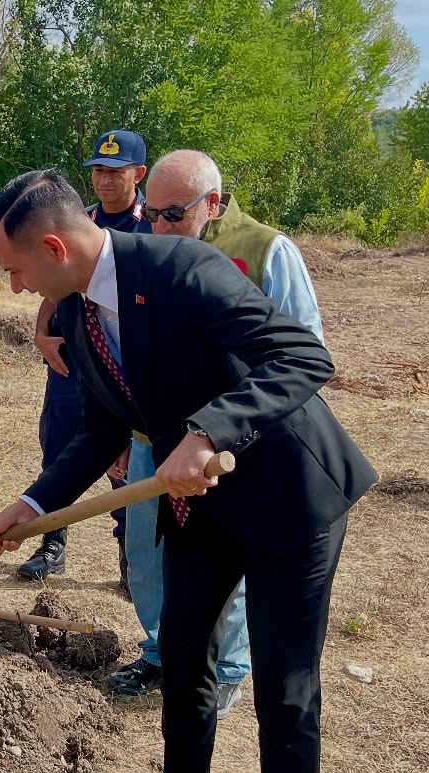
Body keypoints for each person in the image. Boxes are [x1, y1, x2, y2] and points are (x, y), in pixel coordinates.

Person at [0, 170, 376, 773]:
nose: (17, 289)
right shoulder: (84, 317)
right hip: (202, 509)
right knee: (184, 655)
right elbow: (98, 428)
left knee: (283, 692)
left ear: (54, 248)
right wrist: (35, 503)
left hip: (290, 498)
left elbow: (302, 356)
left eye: (16, 271)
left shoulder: (182, 269)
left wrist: (211, 429)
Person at [107, 149, 329, 715]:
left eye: (171, 214)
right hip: (153, 443)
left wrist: (223, 430)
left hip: (226, 450)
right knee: (145, 556)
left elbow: (303, 352)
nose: (157, 227)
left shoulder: (264, 250)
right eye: (150, 214)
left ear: (211, 202)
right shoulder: (143, 252)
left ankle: (227, 667)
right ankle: (164, 652)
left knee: (222, 574)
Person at [19, 129, 151, 582]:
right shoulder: (81, 220)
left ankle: (130, 556)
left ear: (139, 173)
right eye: (97, 170)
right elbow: (56, 287)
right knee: (59, 451)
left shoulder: (150, 226)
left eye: (115, 171)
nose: (104, 179)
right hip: (71, 361)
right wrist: (40, 333)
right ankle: (51, 543)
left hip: (124, 370)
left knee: (125, 464)